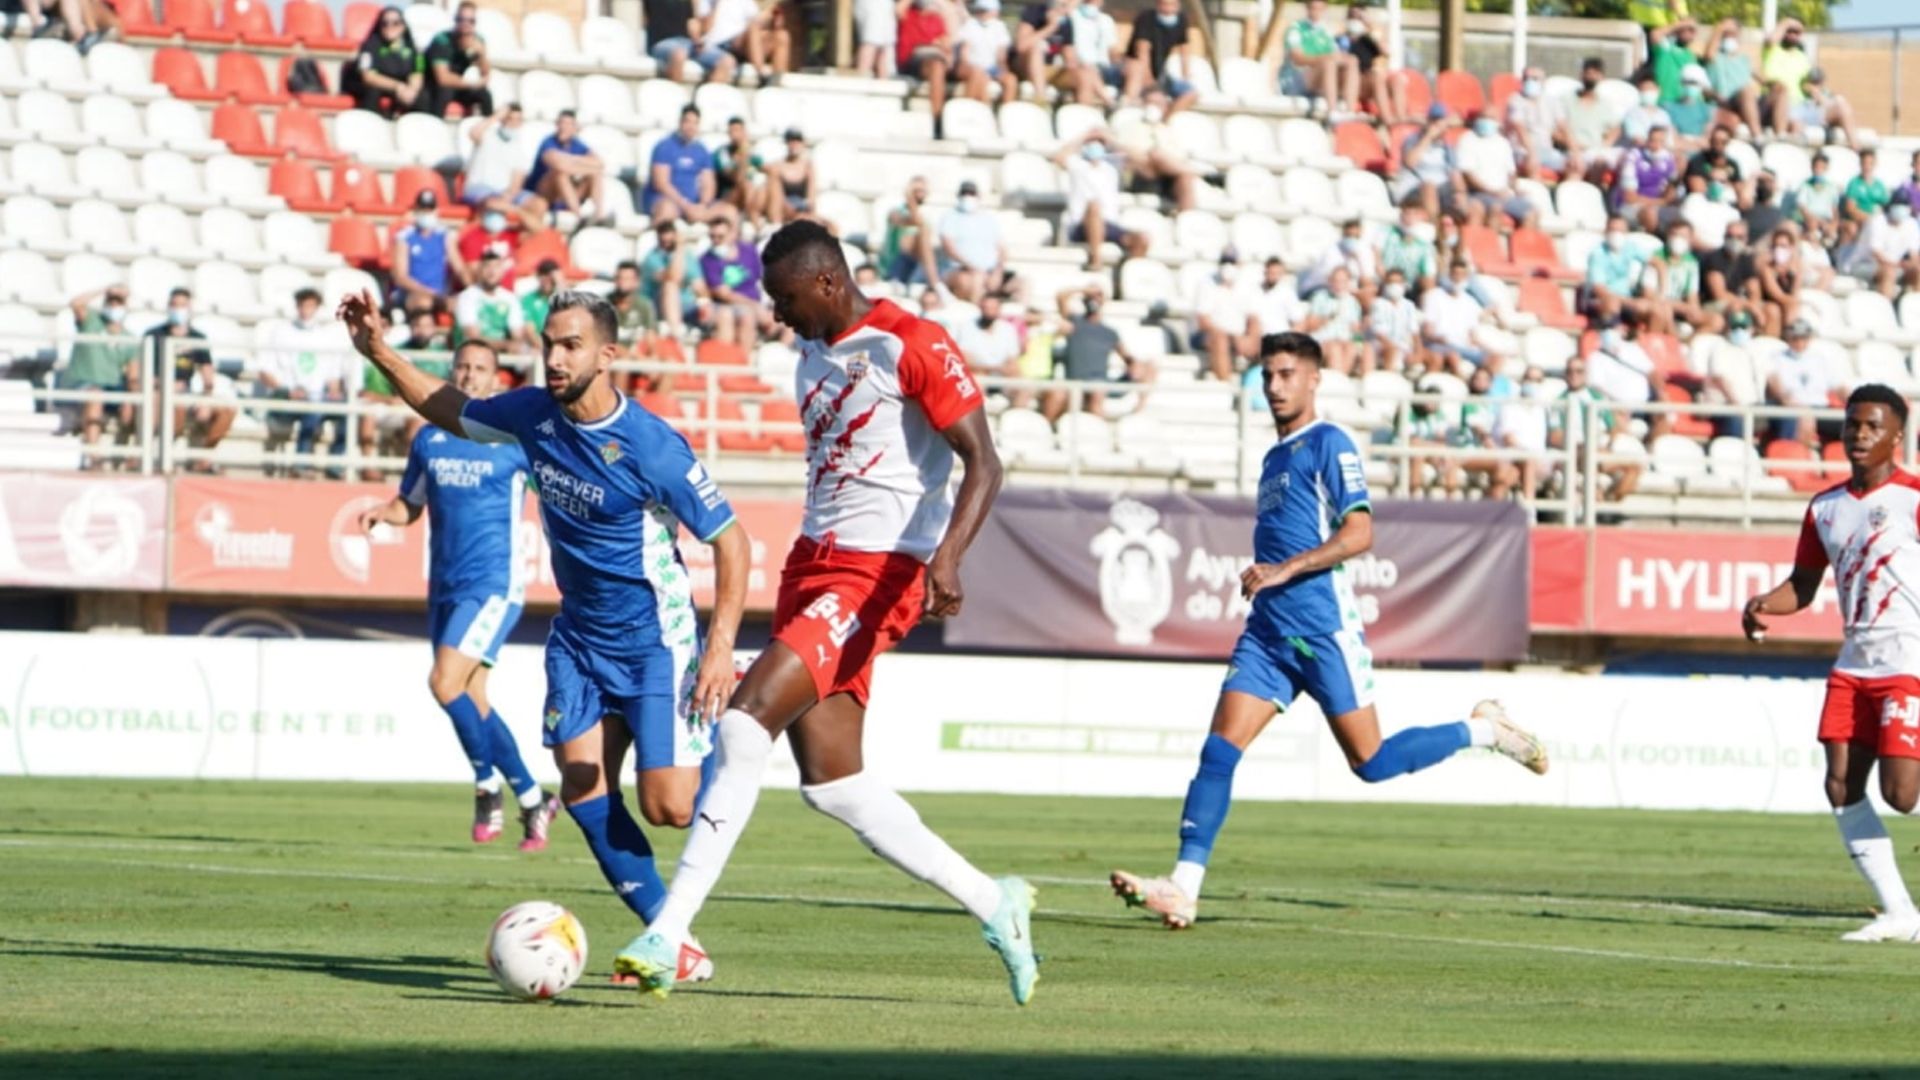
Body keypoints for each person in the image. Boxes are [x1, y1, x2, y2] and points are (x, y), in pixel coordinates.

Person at [606, 221, 1037, 1005]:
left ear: (829, 283)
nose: (777, 315)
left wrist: (947, 556)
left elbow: (985, 461)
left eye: (785, 299)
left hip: (880, 574)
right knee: (836, 785)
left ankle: (668, 934)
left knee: (742, 726)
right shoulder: (811, 352)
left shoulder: (911, 342)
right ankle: (994, 900)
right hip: (813, 565)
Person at [337, 286, 751, 985]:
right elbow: (445, 407)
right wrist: (378, 350)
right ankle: (672, 940)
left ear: (608, 354)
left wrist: (717, 649)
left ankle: (733, 750)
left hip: (655, 642)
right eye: (548, 344)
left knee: (669, 807)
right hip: (580, 641)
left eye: (570, 346)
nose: (554, 359)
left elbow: (732, 541)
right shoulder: (531, 415)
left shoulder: (651, 446)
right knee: (584, 793)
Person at [1109, 331, 1547, 930]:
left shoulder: (1329, 444)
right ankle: (1184, 886)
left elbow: (1360, 533)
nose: (1275, 386)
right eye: (1267, 376)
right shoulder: (1272, 458)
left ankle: (1484, 729)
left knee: (1371, 762)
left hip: (1322, 630)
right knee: (1218, 751)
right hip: (1267, 634)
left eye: (1287, 374)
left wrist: (1284, 570)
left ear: (1315, 379)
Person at [356, 340, 558, 849]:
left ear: (496, 380)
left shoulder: (515, 442)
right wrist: (385, 511)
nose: (469, 375)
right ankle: (533, 798)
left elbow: (557, 493)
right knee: (471, 696)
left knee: (445, 683)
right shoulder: (429, 439)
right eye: (462, 367)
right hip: (443, 584)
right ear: (451, 373)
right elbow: (410, 505)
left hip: (493, 585)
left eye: (480, 369)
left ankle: (487, 785)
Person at [1743, 384, 1920, 943]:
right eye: (1852, 425)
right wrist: (1762, 605)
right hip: (1854, 664)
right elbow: (1802, 584)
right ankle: (1900, 915)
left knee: (1902, 795)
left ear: (1897, 435)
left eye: (1872, 426)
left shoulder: (1913, 497)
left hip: (1908, 660)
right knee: (1841, 784)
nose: (1860, 435)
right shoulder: (1825, 508)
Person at [258, 288, 352, 478]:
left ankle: (335, 464)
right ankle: (301, 463)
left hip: (316, 398)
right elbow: (265, 371)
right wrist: (287, 390)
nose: (305, 311)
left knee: (346, 412)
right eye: (302, 305)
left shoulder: (325, 337)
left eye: (310, 306)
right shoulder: (281, 332)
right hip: (287, 397)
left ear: (317, 308)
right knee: (314, 409)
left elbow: (332, 374)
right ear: (297, 306)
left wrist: (334, 390)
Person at [137, 287, 232, 469]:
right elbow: (142, 372)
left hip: (187, 391)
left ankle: (204, 458)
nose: (178, 309)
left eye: (182, 305)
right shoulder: (154, 335)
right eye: (174, 305)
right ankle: (162, 459)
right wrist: (165, 384)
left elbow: (207, 373)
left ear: (190, 309)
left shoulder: (197, 338)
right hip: (160, 391)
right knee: (173, 406)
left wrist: (206, 396)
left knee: (225, 411)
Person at [1046, 283, 1151, 420]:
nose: (1094, 299)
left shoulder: (1109, 333)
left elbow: (1127, 357)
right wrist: (1084, 289)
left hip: (1100, 383)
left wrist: (1135, 365)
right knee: (1064, 393)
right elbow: (1061, 296)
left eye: (1098, 296)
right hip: (1077, 382)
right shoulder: (1074, 322)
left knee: (1149, 366)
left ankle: (1137, 413)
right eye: (1091, 296)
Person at [61, 285, 136, 465]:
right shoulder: (92, 322)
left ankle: (132, 456)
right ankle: (94, 456)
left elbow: (134, 374)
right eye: (111, 302)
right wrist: (105, 290)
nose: (115, 306)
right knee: (95, 394)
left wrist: (130, 398)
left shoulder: (129, 338)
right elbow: (75, 303)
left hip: (111, 389)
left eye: (119, 302)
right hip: (82, 385)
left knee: (138, 399)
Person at [1549, 355, 1640, 501]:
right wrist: (1583, 445)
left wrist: (1609, 444)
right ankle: (1598, 501)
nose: (1574, 375)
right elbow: (1554, 436)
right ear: (1565, 374)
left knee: (1634, 468)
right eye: (1570, 371)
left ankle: (1611, 504)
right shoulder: (1559, 403)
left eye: (1579, 371)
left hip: (1599, 450)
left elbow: (1613, 427)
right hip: (1577, 452)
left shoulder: (1597, 398)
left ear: (1586, 374)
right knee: (1590, 459)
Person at [1056, 132, 1144, 271]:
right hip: (1081, 225)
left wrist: (1110, 139)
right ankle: (1096, 261)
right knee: (1094, 207)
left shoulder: (1111, 168)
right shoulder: (1077, 165)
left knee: (1142, 238)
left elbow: (1139, 158)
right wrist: (1083, 137)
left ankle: (1130, 273)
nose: (1095, 146)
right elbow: (1058, 157)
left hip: (1109, 225)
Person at [700, 207, 774, 351]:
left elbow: (763, 278)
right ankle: (739, 366)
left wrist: (770, 307)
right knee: (746, 316)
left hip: (755, 304)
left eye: (720, 236)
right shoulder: (707, 260)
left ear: (732, 235)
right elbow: (724, 294)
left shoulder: (749, 251)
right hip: (726, 306)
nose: (715, 241)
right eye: (712, 237)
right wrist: (756, 306)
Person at [461, 105, 545, 230]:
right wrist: (496, 116)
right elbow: (473, 133)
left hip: (504, 192)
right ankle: (520, 216)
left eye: (518, 120)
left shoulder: (519, 147)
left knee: (539, 204)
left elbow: (517, 180)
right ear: (503, 119)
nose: (514, 123)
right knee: (493, 203)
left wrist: (509, 195)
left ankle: (527, 240)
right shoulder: (488, 136)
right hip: (480, 187)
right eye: (510, 119)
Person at [525, 111, 611, 225]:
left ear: (574, 127)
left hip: (568, 192)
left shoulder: (578, 144)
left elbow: (600, 163)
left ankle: (599, 215)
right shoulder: (548, 142)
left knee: (595, 174)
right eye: (561, 123)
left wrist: (570, 161)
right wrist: (582, 164)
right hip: (545, 194)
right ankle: (578, 216)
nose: (563, 127)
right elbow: (558, 164)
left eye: (568, 124)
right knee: (560, 174)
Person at [343, 6, 424, 118]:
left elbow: (417, 73)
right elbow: (368, 77)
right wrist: (398, 87)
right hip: (369, 84)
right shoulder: (369, 47)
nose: (390, 27)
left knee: (421, 97)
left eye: (396, 23)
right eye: (385, 23)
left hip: (397, 86)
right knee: (372, 92)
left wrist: (411, 90)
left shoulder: (413, 49)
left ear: (403, 26)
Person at [1279, 0, 1356, 118]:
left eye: (1319, 9)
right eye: (1313, 8)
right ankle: (1332, 113)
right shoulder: (1296, 28)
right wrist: (1325, 58)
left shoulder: (1326, 31)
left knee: (1351, 61)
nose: (1316, 12)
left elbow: (1336, 55)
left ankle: (1350, 112)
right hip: (1297, 79)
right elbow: (1297, 59)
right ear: (1307, 8)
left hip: (1318, 77)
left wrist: (1344, 59)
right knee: (1328, 64)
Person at [646, 105, 720, 226]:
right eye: (687, 121)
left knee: (729, 212)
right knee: (667, 211)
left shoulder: (702, 150)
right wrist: (685, 205)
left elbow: (708, 183)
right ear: (680, 122)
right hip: (669, 201)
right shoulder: (664, 147)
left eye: (695, 123)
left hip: (693, 205)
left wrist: (703, 205)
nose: (691, 127)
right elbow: (661, 183)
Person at [392, 190, 464, 309]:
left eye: (429, 210)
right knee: (423, 302)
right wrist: (429, 293)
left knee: (462, 305)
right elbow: (401, 277)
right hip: (413, 293)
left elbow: (459, 267)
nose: (426, 213)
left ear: (436, 211)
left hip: (440, 294)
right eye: (422, 210)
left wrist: (473, 289)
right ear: (416, 211)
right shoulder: (404, 237)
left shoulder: (444, 236)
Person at [1190, 253, 1255, 381]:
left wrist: (1250, 337)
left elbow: (1253, 318)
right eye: (1225, 262)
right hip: (1206, 335)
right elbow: (1203, 321)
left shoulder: (1246, 286)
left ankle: (1254, 385)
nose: (1228, 266)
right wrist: (1232, 336)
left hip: (1237, 335)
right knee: (1220, 340)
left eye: (1232, 262)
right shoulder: (1207, 284)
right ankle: (1226, 386)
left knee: (1260, 339)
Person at [938, 180, 1007, 303]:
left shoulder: (989, 219)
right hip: (961, 269)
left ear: (978, 196)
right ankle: (978, 312)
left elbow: (1002, 250)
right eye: (964, 193)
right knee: (976, 279)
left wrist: (998, 272)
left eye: (971, 193)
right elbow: (949, 248)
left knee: (1023, 283)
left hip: (990, 271)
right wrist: (973, 267)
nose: (968, 197)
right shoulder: (950, 217)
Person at [1764, 319, 1829, 449]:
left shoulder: (1819, 358)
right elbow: (1775, 386)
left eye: (1803, 338)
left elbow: (1839, 386)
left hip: (1820, 408)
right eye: (1795, 338)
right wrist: (1800, 409)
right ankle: (1790, 459)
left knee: (1847, 423)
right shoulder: (1777, 358)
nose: (1799, 342)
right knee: (1789, 419)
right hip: (1792, 407)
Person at [1123, 0, 1196, 114]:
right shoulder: (1146, 18)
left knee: (1190, 94)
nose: (1168, 9)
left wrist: (1185, 73)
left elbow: (1184, 47)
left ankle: (1165, 120)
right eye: (1165, 4)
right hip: (1139, 69)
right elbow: (1142, 51)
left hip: (1160, 71)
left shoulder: (1181, 20)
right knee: (1154, 97)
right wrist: (1149, 80)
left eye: (1172, 5)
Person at [424, 0, 493, 119]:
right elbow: (443, 78)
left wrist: (481, 54)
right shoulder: (442, 40)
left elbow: (486, 75)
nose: (465, 25)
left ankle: (487, 129)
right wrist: (472, 84)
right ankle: (435, 128)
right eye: (461, 19)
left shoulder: (478, 41)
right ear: (455, 20)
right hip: (435, 86)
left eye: (471, 21)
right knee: (444, 93)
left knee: (484, 95)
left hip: (460, 86)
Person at [1393, 105, 1461, 222]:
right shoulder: (1413, 140)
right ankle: (1433, 230)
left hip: (1442, 188)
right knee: (1429, 187)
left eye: (1440, 122)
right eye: (1433, 121)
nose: (1436, 126)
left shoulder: (1447, 147)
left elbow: (1455, 174)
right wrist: (1428, 137)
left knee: (1467, 200)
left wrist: (1461, 193)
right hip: (1413, 188)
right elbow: (1409, 162)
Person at [456, 251, 533, 353]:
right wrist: (506, 345)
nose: (492, 272)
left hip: (504, 355)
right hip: (474, 354)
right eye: (487, 266)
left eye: (496, 267)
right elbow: (472, 337)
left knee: (529, 353)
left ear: (502, 271)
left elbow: (517, 334)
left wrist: (515, 345)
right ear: (479, 270)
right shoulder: (467, 297)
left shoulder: (510, 299)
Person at [1506, 65, 1573, 182]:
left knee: (1575, 166)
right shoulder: (1515, 100)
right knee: (1532, 165)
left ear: (1543, 82)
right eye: (1526, 78)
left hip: (1547, 150)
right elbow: (1520, 129)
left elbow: (1564, 127)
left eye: (1535, 79)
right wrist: (1532, 153)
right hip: (1523, 151)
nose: (1530, 81)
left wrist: (1575, 152)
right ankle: (1535, 198)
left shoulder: (1552, 101)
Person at [1582, 216, 1650, 327]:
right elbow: (1600, 290)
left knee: (1655, 309)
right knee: (1612, 303)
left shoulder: (1630, 247)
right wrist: (1630, 302)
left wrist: (1659, 291)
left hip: (1625, 298)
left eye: (1620, 231)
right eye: (1613, 230)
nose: (1616, 235)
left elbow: (1656, 262)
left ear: (1627, 232)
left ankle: (1647, 340)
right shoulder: (1597, 254)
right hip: (1599, 300)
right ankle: (1609, 338)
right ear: (1606, 231)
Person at [1421, 258, 1488, 372]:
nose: (1458, 278)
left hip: (1463, 347)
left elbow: (1473, 336)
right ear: (1449, 275)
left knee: (1495, 358)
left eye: (1462, 274)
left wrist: (1488, 348)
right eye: (1455, 274)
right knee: (1453, 356)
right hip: (1441, 345)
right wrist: (1441, 339)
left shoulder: (1470, 302)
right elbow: (1428, 332)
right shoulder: (1434, 296)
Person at [642, 220, 706, 335]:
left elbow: (700, 286)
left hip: (686, 304)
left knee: (719, 312)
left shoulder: (689, 257)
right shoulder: (651, 258)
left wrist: (704, 302)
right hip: (658, 305)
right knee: (670, 287)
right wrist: (680, 248)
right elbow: (673, 278)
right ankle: (675, 334)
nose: (667, 242)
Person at [1344, 4, 1404, 125]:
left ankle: (1401, 119)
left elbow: (1387, 52)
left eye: (1360, 17)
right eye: (1353, 17)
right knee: (1376, 76)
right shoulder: (1343, 38)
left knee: (1396, 80)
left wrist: (1370, 28)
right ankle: (1388, 120)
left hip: (1372, 80)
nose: (1357, 20)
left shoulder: (1369, 38)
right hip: (1355, 82)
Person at [1702, 219, 1764, 334]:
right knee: (1736, 308)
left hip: (1740, 301)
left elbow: (1754, 291)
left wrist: (1754, 305)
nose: (1734, 240)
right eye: (1730, 236)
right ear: (1724, 237)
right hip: (1714, 304)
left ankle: (1763, 344)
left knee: (1771, 310)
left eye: (1739, 237)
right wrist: (1749, 305)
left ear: (1746, 239)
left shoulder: (1746, 259)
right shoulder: (1714, 258)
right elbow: (1719, 294)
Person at [1615, 122, 1679, 233]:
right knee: (1650, 213)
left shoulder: (1668, 158)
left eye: (1661, 141)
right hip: (1630, 206)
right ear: (1647, 139)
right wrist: (1661, 202)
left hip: (1657, 204)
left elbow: (1671, 192)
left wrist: (1666, 199)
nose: (1656, 145)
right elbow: (1630, 197)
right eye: (1653, 140)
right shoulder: (1633, 157)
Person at [647, 0, 729, 84]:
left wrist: (697, 40)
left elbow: (695, 24)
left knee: (726, 61)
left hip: (687, 43)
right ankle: (673, 95)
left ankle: (709, 96)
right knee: (679, 54)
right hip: (661, 42)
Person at [1567, 58, 1623, 179]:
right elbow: (1557, 130)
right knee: (1576, 167)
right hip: (1572, 150)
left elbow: (1616, 128)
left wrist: (1605, 144)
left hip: (1595, 151)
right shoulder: (1567, 101)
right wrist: (1573, 145)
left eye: (1595, 74)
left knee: (1601, 164)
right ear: (1581, 75)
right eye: (1588, 73)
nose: (1591, 77)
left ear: (1601, 77)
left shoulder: (1605, 104)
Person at [1302, 266, 1365, 375]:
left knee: (1354, 348)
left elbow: (1356, 331)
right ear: (1330, 282)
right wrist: (1327, 318)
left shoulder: (1352, 303)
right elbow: (1310, 325)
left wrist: (1358, 339)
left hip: (1344, 341)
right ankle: (1340, 382)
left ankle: (1341, 381)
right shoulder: (1320, 297)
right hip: (1323, 341)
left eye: (1343, 281)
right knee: (1334, 349)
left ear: (1348, 283)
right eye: (1336, 281)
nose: (1339, 285)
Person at [880, 176, 941, 288]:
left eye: (922, 190)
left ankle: (935, 282)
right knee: (922, 233)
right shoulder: (895, 212)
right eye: (916, 191)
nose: (919, 194)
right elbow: (915, 221)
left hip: (919, 266)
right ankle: (935, 284)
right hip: (897, 265)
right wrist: (910, 198)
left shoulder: (929, 214)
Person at [1704, 18, 1761, 137]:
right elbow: (1709, 54)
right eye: (1726, 34)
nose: (1730, 38)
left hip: (1748, 102)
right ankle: (1757, 135)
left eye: (1733, 34)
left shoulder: (1744, 59)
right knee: (1746, 91)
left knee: (1780, 90)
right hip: (1725, 101)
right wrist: (1720, 28)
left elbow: (1763, 78)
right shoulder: (1715, 57)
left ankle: (1780, 134)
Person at [1059, 0, 1121, 108]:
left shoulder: (1106, 20)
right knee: (1087, 72)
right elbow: (1061, 11)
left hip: (1103, 68)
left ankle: (1120, 104)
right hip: (1080, 66)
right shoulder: (1072, 16)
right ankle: (1110, 103)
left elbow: (1113, 50)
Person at [954, 0, 1017, 106]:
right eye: (981, 10)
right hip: (973, 66)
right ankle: (976, 110)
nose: (982, 13)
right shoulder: (970, 25)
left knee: (1011, 80)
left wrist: (1002, 70)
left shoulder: (999, 27)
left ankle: (1006, 112)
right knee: (980, 76)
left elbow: (1001, 56)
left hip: (992, 68)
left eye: (985, 11)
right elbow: (964, 53)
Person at [1857, 203, 1920, 300]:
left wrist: (1911, 264)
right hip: (1863, 264)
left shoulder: (1911, 223)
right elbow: (1876, 253)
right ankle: (1885, 309)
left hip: (1893, 264)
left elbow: (1914, 254)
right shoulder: (1877, 221)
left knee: (1917, 268)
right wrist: (1897, 264)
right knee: (1889, 272)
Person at [714, 117, 769, 228]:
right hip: (729, 197)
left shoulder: (753, 153)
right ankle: (753, 219)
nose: (735, 134)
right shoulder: (722, 154)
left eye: (738, 130)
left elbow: (766, 169)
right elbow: (736, 179)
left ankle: (762, 217)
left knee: (768, 185)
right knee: (746, 185)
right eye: (732, 131)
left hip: (750, 196)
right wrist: (742, 158)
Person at [1366, 267, 1421, 373]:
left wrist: (1418, 352)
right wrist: (1395, 348)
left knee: (1431, 355)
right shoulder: (1378, 304)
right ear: (1385, 284)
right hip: (1382, 347)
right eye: (1391, 282)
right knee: (1392, 351)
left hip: (1404, 348)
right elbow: (1379, 334)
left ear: (1403, 284)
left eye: (1398, 282)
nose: (1394, 285)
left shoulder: (1409, 306)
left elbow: (1415, 333)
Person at [1015, 0, 1071, 102]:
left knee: (1086, 73)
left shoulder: (1066, 21)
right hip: (1026, 66)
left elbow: (1070, 57)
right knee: (1036, 49)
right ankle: (1041, 99)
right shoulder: (1034, 12)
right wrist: (1050, 27)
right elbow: (1021, 46)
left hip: (1049, 68)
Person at [1757, 224, 1805, 334]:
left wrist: (1793, 273)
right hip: (1769, 302)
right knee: (1776, 309)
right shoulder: (1767, 267)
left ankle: (1792, 336)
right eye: (1776, 246)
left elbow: (1795, 291)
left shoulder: (1797, 265)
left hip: (1787, 302)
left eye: (1783, 246)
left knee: (1793, 306)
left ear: (1791, 248)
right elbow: (1776, 294)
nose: (1779, 249)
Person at [1791, 151, 1842, 249]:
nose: (1818, 170)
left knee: (1834, 232)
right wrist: (1819, 221)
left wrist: (1834, 224)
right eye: (1816, 167)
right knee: (1812, 224)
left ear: (1826, 168)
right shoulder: (1805, 186)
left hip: (1826, 220)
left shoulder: (1831, 187)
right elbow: (1802, 208)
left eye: (1821, 167)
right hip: (1809, 220)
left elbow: (1834, 209)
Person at [768, 128, 817, 225]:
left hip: (802, 208)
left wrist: (809, 213)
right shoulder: (778, 166)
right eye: (791, 141)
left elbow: (811, 197)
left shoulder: (808, 166)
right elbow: (777, 199)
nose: (794, 144)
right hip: (784, 209)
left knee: (831, 227)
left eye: (797, 141)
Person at [609, 260, 660, 351]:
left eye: (627, 279)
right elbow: (602, 341)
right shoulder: (605, 304)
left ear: (637, 282)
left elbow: (651, 337)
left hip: (637, 357)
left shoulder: (644, 305)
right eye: (619, 278)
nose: (622, 282)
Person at [853, 0, 898, 78]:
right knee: (870, 44)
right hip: (874, 5)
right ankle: (861, 82)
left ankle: (883, 84)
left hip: (884, 6)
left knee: (883, 49)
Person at [521, 259, 567, 336]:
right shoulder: (528, 299)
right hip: (538, 344)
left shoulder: (559, 299)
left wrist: (560, 283)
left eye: (550, 277)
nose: (547, 280)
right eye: (543, 275)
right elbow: (529, 331)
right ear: (537, 276)